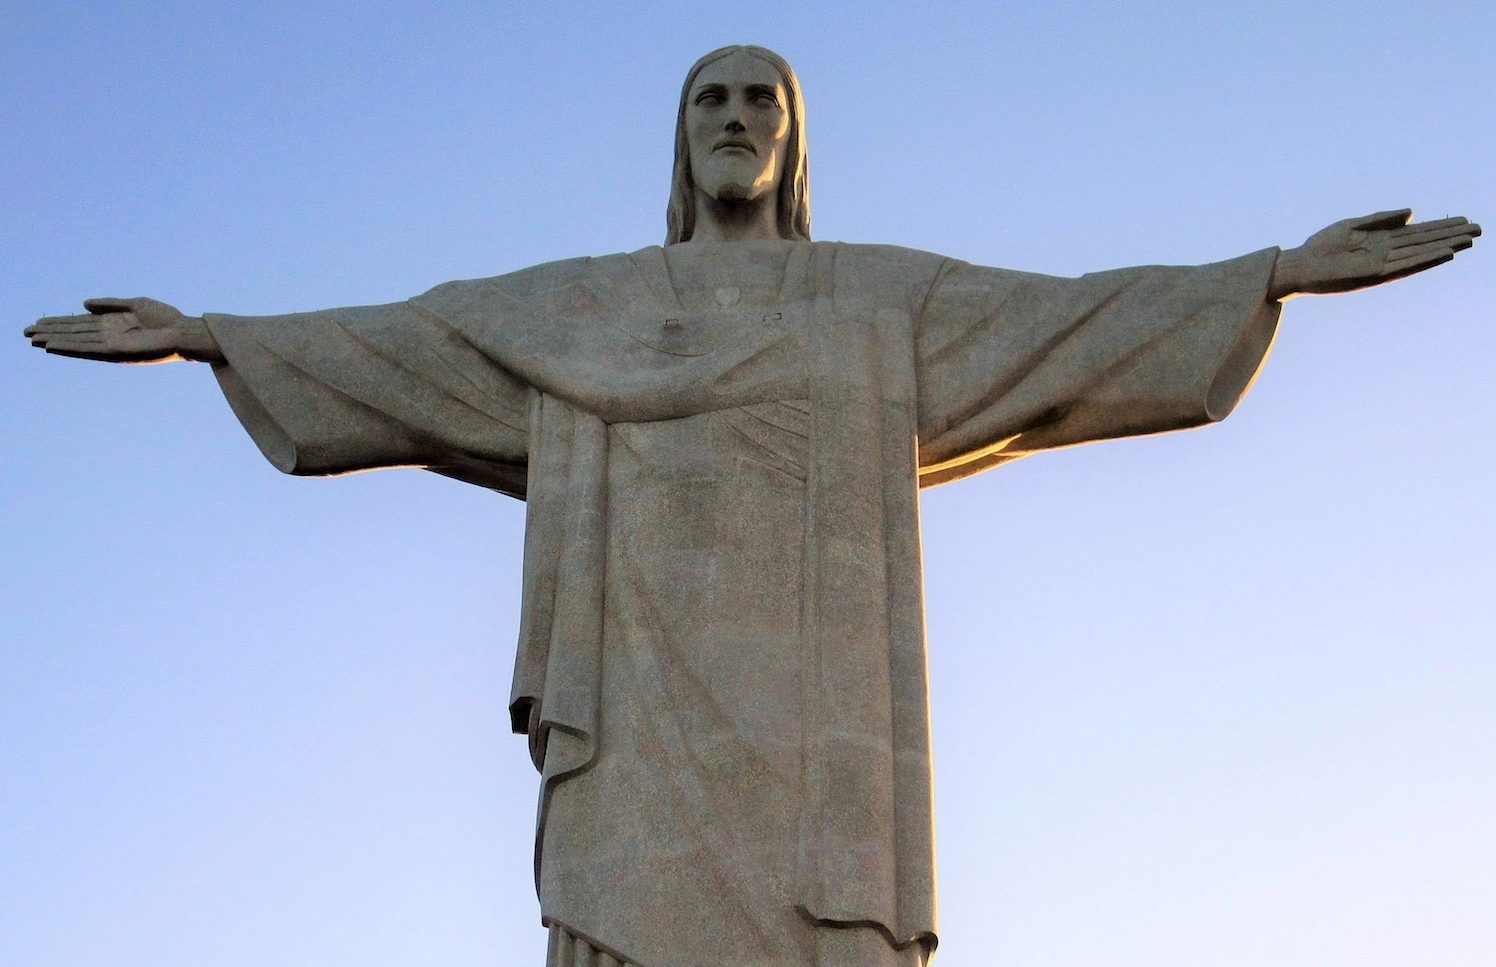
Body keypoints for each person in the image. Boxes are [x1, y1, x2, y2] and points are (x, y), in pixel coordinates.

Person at [23, 44, 1480, 967]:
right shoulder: (589, 305)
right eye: (710, 102)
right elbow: (420, 342)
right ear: (681, 142)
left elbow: (1068, 322)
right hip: (641, 733)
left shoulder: (872, 300)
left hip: (817, 735)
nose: (735, 121)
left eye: (760, 102)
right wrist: (215, 334)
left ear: (792, 143)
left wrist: (1270, 274)